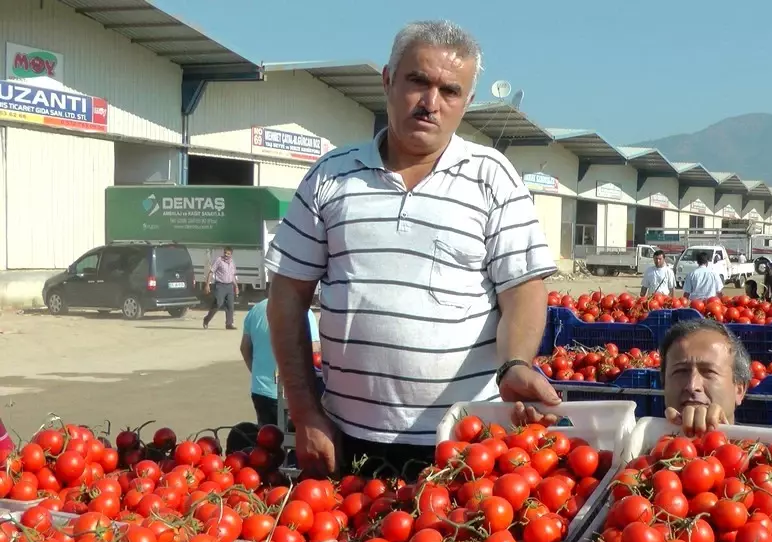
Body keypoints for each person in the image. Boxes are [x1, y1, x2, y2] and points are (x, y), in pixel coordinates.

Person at [265, 20, 560, 480]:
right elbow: (287, 297)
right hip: (349, 437)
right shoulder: (330, 176)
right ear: (387, 80)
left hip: (463, 443)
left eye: (450, 91)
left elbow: (523, 290)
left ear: (466, 103)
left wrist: (516, 362)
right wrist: (304, 413)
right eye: (417, 82)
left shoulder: (493, 177)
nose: (430, 103)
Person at [659, 318, 750, 435]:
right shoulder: (643, 444)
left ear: (739, 389)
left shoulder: (761, 451)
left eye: (709, 371)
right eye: (680, 371)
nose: (692, 386)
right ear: (664, 382)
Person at [241, 296, 321, 428]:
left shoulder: (256, 309)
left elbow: (244, 347)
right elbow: (314, 350)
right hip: (290, 395)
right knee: (291, 441)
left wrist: (257, 372)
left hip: (260, 391)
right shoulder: (303, 311)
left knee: (267, 441)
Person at [203, 247, 238, 330]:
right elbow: (211, 272)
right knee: (218, 303)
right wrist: (207, 285)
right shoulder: (219, 260)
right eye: (225, 253)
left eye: (228, 253)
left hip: (229, 286)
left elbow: (232, 276)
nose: (226, 255)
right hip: (220, 285)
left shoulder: (232, 262)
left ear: (231, 254)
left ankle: (229, 324)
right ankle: (206, 319)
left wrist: (236, 286)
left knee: (230, 306)